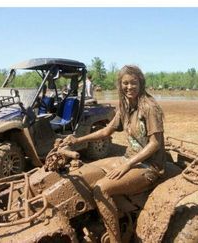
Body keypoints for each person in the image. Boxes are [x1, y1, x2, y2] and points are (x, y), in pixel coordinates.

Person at [65, 65, 165, 243]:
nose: (129, 87)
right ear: (120, 85)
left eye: (133, 83)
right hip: (128, 157)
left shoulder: (149, 107)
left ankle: (114, 239)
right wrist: (77, 140)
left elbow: (155, 143)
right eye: (125, 83)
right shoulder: (126, 106)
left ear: (140, 83)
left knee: (101, 189)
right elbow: (106, 131)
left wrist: (127, 165)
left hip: (149, 165)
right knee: (82, 174)